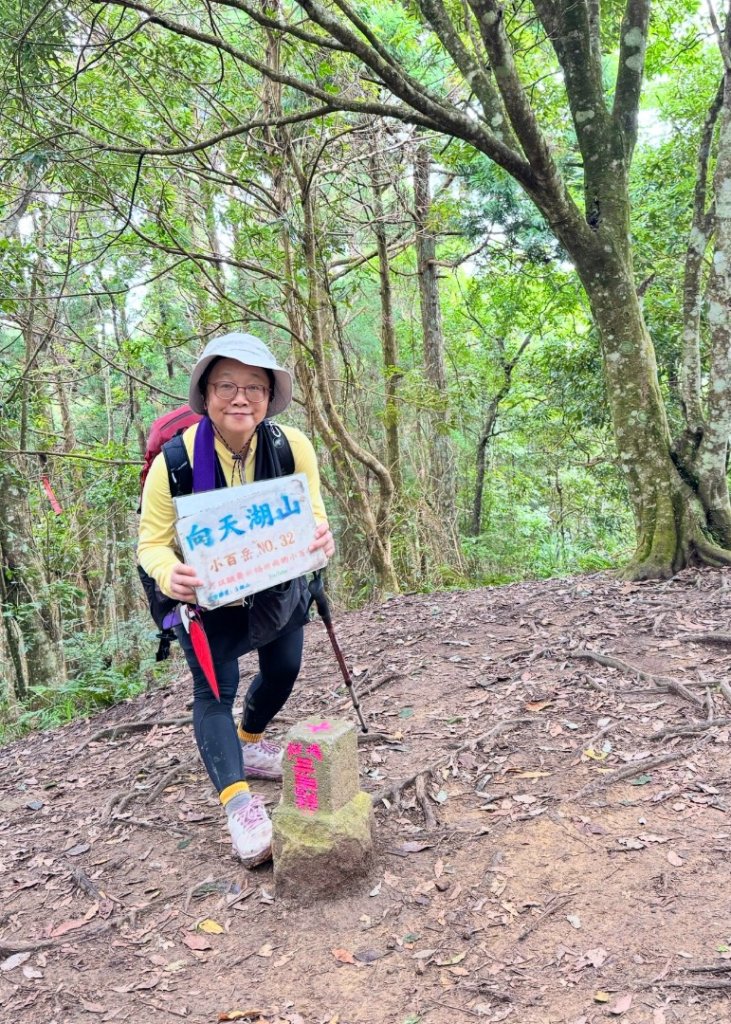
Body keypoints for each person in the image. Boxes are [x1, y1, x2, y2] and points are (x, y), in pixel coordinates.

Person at [138, 332, 335, 867]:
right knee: (214, 689)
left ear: (270, 397)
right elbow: (151, 543)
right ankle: (239, 805)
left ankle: (249, 740)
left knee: (286, 666)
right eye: (226, 385)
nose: (240, 398)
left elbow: (312, 514)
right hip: (206, 594)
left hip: (274, 579)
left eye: (254, 386)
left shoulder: (290, 446)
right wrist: (167, 574)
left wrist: (322, 539)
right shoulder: (174, 462)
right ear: (206, 393)